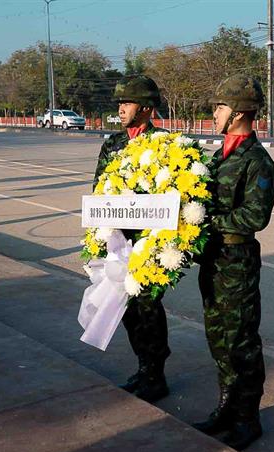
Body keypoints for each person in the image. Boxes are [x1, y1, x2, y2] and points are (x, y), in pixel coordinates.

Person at [192, 74, 274, 451]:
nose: (214, 113)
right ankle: (227, 407)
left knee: (241, 342)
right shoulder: (218, 155)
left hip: (236, 261)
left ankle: (248, 418)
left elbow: (254, 217)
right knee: (217, 338)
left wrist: (207, 221)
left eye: (220, 107)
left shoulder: (258, 162)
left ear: (240, 113)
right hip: (212, 258)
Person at [94, 75, 171, 403]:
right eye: (120, 103)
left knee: (148, 307)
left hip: (148, 245)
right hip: (118, 244)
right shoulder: (112, 144)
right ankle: (143, 367)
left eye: (127, 103)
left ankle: (156, 373)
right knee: (126, 310)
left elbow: (173, 196)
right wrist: (98, 237)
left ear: (146, 108)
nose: (121, 109)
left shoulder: (166, 144)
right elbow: (98, 189)